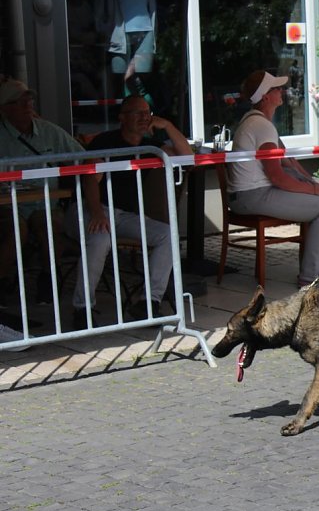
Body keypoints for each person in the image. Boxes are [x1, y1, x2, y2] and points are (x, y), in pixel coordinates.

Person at [64, 94, 187, 329]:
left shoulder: (150, 147)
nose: (144, 118)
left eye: (147, 113)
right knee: (100, 239)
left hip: (123, 215)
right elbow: (91, 179)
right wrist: (97, 212)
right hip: (88, 209)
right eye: (137, 113)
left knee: (167, 234)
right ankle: (83, 308)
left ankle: (149, 303)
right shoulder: (105, 141)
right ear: (122, 117)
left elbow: (187, 156)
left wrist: (168, 126)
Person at [229, 69, 319, 286]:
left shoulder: (256, 122)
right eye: (277, 88)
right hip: (254, 195)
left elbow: (289, 161)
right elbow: (277, 177)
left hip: (246, 196)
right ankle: (312, 277)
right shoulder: (262, 126)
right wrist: (316, 191)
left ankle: (318, 268)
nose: (282, 91)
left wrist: (315, 184)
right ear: (266, 96)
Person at [0, 78, 84, 304]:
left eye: (29, 99)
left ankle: (50, 279)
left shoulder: (49, 131)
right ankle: (3, 281)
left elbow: (83, 158)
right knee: (16, 229)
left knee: (49, 225)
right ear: (6, 109)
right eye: (20, 101)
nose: (28, 105)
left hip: (44, 201)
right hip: (7, 205)